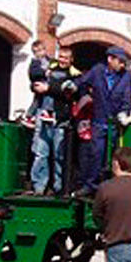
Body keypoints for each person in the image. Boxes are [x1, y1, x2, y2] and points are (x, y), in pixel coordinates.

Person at [66, 46, 131, 197]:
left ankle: (111, 187)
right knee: (95, 153)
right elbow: (83, 81)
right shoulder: (97, 71)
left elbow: (127, 97)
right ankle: (90, 186)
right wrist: (75, 87)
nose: (122, 65)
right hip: (98, 120)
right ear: (110, 59)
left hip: (114, 122)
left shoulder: (126, 76)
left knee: (113, 156)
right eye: (120, 61)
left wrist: (124, 113)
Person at [30, 48, 80, 195]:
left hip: (61, 119)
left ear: (71, 60)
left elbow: (71, 93)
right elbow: (35, 81)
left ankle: (59, 187)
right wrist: (36, 86)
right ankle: (39, 187)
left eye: (66, 58)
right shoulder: (49, 69)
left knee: (60, 156)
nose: (63, 60)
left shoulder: (75, 74)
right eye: (61, 57)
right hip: (43, 115)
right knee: (40, 153)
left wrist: (49, 88)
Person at [26, 40, 53, 194]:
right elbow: (34, 76)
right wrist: (45, 73)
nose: (40, 53)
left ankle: (51, 183)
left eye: (42, 50)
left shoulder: (51, 62)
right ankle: (38, 184)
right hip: (42, 106)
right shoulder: (35, 64)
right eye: (37, 51)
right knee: (40, 148)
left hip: (54, 108)